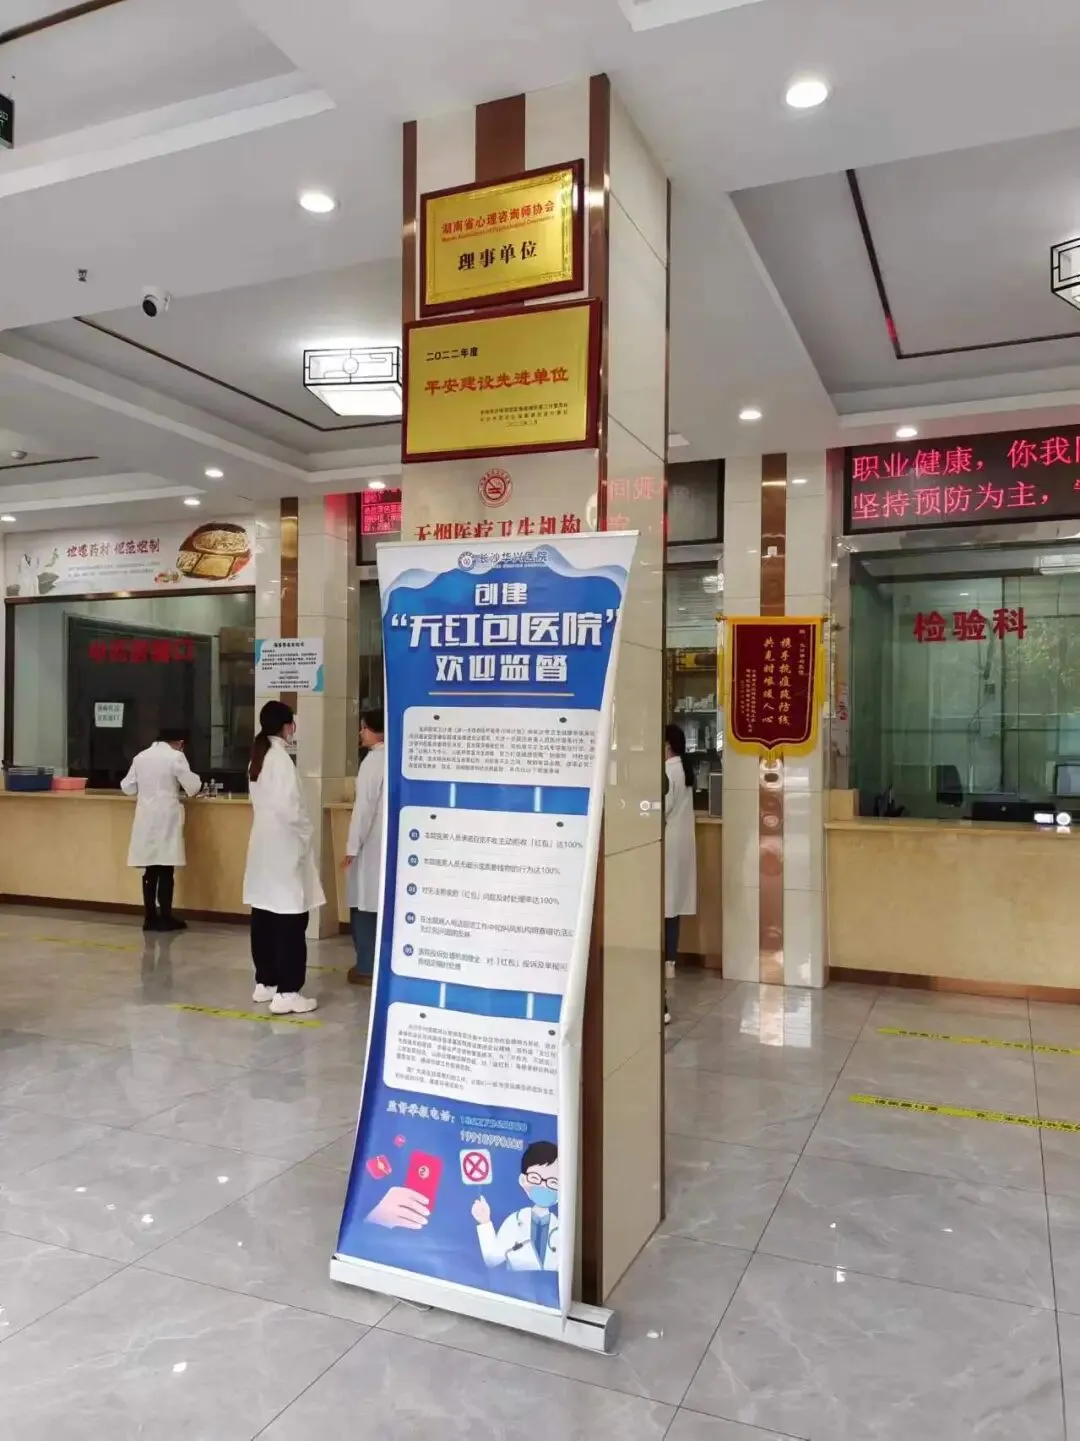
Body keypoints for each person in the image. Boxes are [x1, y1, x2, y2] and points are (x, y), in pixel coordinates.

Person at [242, 700, 324, 1015]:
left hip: (264, 844)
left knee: (264, 914)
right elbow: (293, 811)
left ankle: (266, 982)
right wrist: (307, 832)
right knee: (291, 918)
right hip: (284, 845)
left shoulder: (258, 757)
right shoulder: (280, 760)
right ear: (288, 726)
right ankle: (288, 991)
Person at [121, 727, 201, 932]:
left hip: (146, 818)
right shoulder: (176, 757)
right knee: (166, 869)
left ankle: (149, 918)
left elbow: (127, 787)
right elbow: (193, 787)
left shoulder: (141, 757)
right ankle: (165, 917)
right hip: (166, 818)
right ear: (180, 743)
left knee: (150, 870)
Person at [341, 710, 386, 986]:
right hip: (384, 844)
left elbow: (363, 810)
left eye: (364, 728)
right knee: (376, 901)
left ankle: (366, 966)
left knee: (364, 904)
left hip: (369, 845)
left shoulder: (372, 762)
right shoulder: (395, 756)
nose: (361, 733)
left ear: (377, 731)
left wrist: (352, 847)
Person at [471, 1140, 559, 1271]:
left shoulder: (561, 1227)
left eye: (553, 1182)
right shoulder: (514, 1221)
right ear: (523, 1180)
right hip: (518, 1282)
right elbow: (492, 1259)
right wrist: (485, 1222)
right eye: (535, 1178)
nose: (543, 1186)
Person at [664, 722, 697, 1024]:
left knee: (664, 903)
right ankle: (670, 960)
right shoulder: (685, 770)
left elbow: (661, 808)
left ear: (667, 745)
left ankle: (663, 960)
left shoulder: (667, 771)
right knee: (673, 904)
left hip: (668, 842)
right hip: (683, 843)